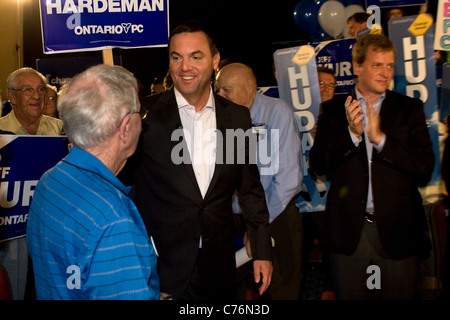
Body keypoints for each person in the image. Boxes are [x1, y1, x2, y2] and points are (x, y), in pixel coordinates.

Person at [126, 21, 273, 300]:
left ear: (215, 60)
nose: (185, 67)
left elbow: (250, 190)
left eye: (196, 56)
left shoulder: (237, 118)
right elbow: (124, 191)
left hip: (219, 264)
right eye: (176, 57)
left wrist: (262, 250)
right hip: (161, 269)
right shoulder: (144, 117)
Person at [309, 34, 434, 300]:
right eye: (377, 65)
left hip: (399, 232)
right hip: (350, 235)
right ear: (357, 67)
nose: (385, 73)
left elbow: (424, 168)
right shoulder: (332, 111)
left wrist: (381, 140)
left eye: (390, 66)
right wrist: (352, 135)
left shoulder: (408, 109)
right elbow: (318, 165)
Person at [26, 64, 159, 300]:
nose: (143, 121)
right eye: (141, 112)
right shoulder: (113, 220)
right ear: (125, 128)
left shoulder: (50, 180)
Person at [215, 62, 303, 299]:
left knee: (280, 291)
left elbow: (288, 178)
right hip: (231, 220)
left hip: (275, 215)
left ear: (250, 87)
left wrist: (257, 227)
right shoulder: (218, 118)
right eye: (217, 90)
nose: (220, 96)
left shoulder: (277, 112)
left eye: (226, 90)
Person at [0, 67, 63, 300]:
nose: (36, 96)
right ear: (11, 96)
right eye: (27, 90)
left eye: (40, 89)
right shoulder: (0, 133)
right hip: (12, 236)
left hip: (51, 230)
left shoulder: (61, 130)